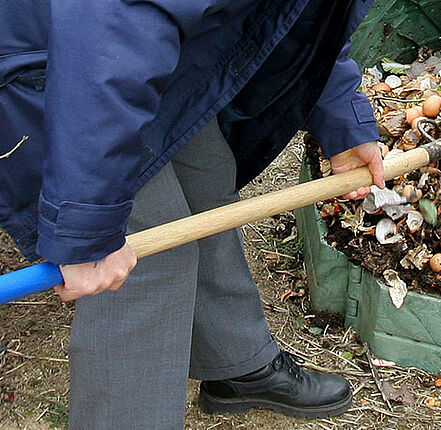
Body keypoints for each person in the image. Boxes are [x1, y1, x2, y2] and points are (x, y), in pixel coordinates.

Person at [0, 0, 384, 427]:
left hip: (126, 48)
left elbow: (303, 12)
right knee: (148, 247)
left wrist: (343, 122)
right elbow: (112, 27)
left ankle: (234, 361)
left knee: (207, 170)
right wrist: (86, 225)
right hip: (54, 60)